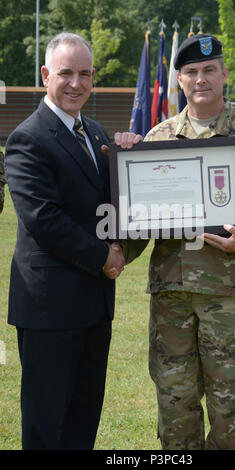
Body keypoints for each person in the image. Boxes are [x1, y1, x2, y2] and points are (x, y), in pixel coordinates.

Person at [126, 33, 235, 450]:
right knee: (175, 406)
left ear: (223, 73)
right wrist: (111, 250)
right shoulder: (158, 139)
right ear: (180, 80)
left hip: (232, 298)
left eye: (208, 70)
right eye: (190, 72)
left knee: (231, 411)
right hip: (173, 299)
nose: (200, 79)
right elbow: (136, 219)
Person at [4, 32, 141, 450]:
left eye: (84, 74)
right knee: (47, 425)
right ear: (46, 75)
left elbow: (109, 204)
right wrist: (104, 256)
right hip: (50, 308)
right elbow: (44, 219)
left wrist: (129, 160)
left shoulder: (96, 132)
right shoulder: (28, 138)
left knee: (83, 419)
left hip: (94, 305)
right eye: (66, 73)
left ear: (93, 78)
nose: (76, 83)